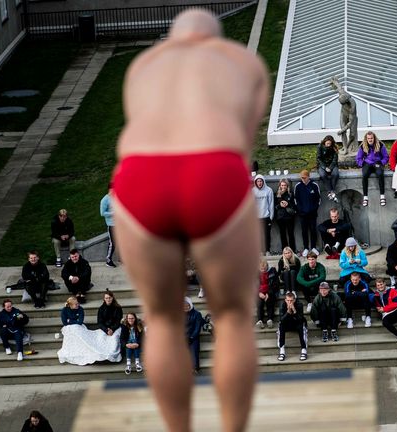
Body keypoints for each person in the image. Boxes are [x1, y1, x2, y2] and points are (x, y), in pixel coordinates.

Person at [111, 10, 269, 431]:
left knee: (161, 318)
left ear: (173, 38)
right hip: (213, 168)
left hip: (141, 177)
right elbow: (242, 140)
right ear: (214, 37)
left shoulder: (142, 66)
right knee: (233, 315)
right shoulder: (242, 62)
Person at [356, 131, 389, 206]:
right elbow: (358, 158)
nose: (370, 140)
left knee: (380, 174)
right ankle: (365, 197)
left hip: (377, 163)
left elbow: (386, 157)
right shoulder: (363, 146)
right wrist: (362, 163)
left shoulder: (380, 145)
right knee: (364, 175)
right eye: (368, 138)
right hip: (367, 163)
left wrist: (381, 162)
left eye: (371, 138)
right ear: (366, 139)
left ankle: (382, 195)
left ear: (374, 138)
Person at [294, 169, 321, 257]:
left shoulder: (314, 185)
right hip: (303, 214)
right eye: (302, 178)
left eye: (304, 178)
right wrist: (300, 210)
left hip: (312, 214)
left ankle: (313, 247)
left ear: (308, 177)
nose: (303, 179)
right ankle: (306, 248)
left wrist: (314, 209)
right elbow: (296, 200)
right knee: (304, 231)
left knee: (313, 230)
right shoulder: (298, 186)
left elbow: (318, 199)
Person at [276, 292, 308, 361]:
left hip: (296, 323)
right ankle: (282, 350)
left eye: (291, 300)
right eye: (288, 300)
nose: (289, 302)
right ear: (285, 300)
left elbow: (301, 319)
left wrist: (294, 310)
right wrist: (288, 312)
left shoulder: (299, 305)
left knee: (301, 326)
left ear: (294, 300)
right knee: (281, 326)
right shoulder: (282, 305)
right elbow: (281, 320)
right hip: (287, 324)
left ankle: (303, 349)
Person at [274, 178, 297, 252]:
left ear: (287, 186)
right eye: (282, 185)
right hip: (280, 218)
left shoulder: (291, 194)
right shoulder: (277, 195)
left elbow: (294, 205)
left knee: (291, 234)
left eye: (285, 185)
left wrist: (288, 204)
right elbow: (275, 206)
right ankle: (285, 251)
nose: (283, 187)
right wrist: (280, 205)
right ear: (279, 186)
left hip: (289, 217)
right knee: (283, 235)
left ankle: (293, 250)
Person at [253, 174, 274, 255]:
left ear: (263, 181)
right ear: (256, 182)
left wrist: (271, 217)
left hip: (266, 216)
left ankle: (267, 250)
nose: (259, 183)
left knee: (267, 235)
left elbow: (271, 204)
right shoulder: (253, 191)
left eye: (261, 181)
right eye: (258, 181)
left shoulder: (269, 190)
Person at [317, 135, 340, 201]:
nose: (328, 145)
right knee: (323, 175)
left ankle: (331, 192)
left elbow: (335, 159)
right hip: (322, 165)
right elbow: (319, 159)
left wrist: (330, 167)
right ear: (324, 142)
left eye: (330, 143)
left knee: (335, 174)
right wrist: (325, 167)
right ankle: (331, 191)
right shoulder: (320, 147)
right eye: (327, 143)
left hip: (332, 165)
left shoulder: (334, 147)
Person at [256, 259, 278, 329]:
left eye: (264, 269)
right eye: (261, 269)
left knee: (269, 301)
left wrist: (269, 293)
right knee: (259, 303)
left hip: (270, 291)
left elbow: (276, 284)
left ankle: (270, 320)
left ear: (267, 266)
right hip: (260, 292)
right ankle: (260, 320)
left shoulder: (272, 271)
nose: (263, 270)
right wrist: (259, 293)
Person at [185, 297, 205, 374]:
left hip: (193, 336)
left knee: (194, 348)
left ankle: (195, 368)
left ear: (190, 305)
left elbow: (197, 328)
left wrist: (191, 337)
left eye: (187, 305)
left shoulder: (197, 314)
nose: (185, 307)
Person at [100, 182, 117, 267]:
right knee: (112, 243)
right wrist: (113, 213)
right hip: (111, 224)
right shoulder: (105, 200)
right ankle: (108, 260)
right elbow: (102, 213)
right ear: (110, 189)